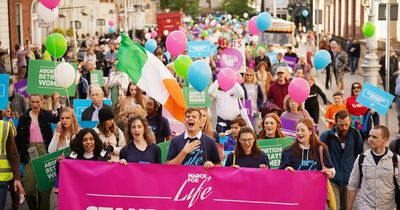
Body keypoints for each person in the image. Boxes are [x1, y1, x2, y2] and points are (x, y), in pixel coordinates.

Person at [15, 94, 60, 210]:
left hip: (45, 151)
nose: (35, 104)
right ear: (29, 102)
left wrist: (57, 102)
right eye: (33, 102)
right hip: (29, 154)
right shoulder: (24, 117)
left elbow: (60, 118)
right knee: (29, 189)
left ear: (42, 101)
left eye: (38, 102)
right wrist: (15, 157)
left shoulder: (47, 115)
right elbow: (18, 139)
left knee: (44, 189)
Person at [347, 126, 400, 210]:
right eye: (369, 136)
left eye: (374, 137)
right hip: (365, 205)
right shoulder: (361, 158)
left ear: (385, 140)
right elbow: (352, 185)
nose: (370, 139)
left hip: (387, 207)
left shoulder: (395, 159)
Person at [320, 110, 363, 210]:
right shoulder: (326, 136)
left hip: (349, 180)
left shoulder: (355, 134)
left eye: (346, 124)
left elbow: (359, 155)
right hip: (332, 180)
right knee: (334, 208)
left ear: (350, 122)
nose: (344, 128)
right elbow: (320, 156)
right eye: (341, 125)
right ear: (335, 122)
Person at [0, 118, 25, 210]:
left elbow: (13, 155)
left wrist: (16, 178)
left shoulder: (5, 126)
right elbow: (13, 155)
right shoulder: (5, 126)